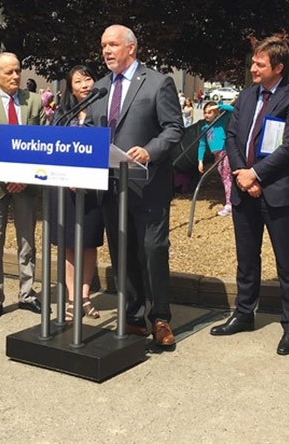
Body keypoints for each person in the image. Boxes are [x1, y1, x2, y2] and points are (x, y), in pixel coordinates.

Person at [210, 36, 289, 356]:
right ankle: (243, 313)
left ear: (278, 68)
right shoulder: (246, 95)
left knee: (286, 260)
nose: (253, 68)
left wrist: (258, 175)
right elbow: (232, 136)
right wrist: (242, 174)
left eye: (260, 64)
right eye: (253, 62)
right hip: (244, 189)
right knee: (246, 258)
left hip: (278, 191)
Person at [88, 24, 183, 347]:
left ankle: (160, 317)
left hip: (147, 184)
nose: (106, 51)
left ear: (131, 48)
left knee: (152, 250)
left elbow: (173, 129)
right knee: (122, 251)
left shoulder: (158, 83)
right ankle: (132, 314)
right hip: (112, 186)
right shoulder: (99, 89)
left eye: (113, 44)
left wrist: (150, 150)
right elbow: (90, 132)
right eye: (103, 45)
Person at [0, 52, 44, 323]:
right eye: (9, 72)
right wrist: (8, 174)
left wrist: (24, 175)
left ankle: (27, 293)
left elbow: (40, 142)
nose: (15, 77)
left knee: (27, 241)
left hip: (25, 184)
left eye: (18, 71)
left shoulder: (33, 101)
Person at [51, 66, 104, 322]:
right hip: (65, 188)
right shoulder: (62, 114)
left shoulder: (103, 111)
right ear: (70, 87)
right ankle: (72, 298)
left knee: (89, 242)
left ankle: (85, 295)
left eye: (88, 79)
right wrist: (70, 176)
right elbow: (53, 148)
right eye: (78, 81)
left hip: (92, 188)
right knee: (69, 244)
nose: (84, 84)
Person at [198, 100, 234, 216]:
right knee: (225, 178)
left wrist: (217, 106)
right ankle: (231, 202)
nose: (207, 115)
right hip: (216, 156)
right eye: (205, 112)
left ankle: (230, 204)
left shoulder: (220, 121)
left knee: (227, 177)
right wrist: (200, 160)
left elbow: (230, 110)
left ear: (216, 113)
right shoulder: (204, 128)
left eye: (210, 112)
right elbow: (202, 144)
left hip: (225, 152)